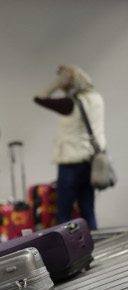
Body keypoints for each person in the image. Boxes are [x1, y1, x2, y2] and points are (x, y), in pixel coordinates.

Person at [33, 65, 104, 230]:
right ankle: (95, 248)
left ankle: (67, 251)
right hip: (90, 162)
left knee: (64, 213)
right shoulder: (97, 98)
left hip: (71, 164)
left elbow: (39, 98)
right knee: (88, 211)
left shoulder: (70, 103)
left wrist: (60, 80)